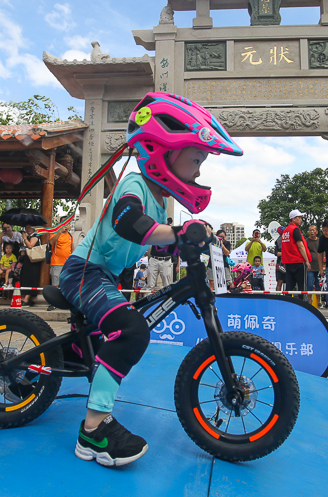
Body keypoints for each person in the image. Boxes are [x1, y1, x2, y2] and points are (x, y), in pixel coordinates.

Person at [53, 92, 241, 466]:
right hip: (84, 272)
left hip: (105, 276)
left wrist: (189, 243)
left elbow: (156, 240)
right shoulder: (135, 185)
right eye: (197, 158)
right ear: (166, 150)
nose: (200, 170)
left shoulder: (159, 200)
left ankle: (75, 352)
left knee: (116, 329)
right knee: (132, 330)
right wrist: (177, 232)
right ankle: (93, 432)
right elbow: (129, 223)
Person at [281, 210, 312, 295]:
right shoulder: (295, 229)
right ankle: (303, 304)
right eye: (299, 218)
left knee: (289, 285)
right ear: (294, 219)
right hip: (298, 261)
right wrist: (307, 260)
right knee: (302, 286)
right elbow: (300, 245)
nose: (301, 220)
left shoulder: (285, 231)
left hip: (288, 261)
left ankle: (287, 303)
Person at [306, 225, 321, 293]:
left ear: (316, 232)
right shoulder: (306, 241)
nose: (312, 232)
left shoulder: (320, 241)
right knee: (309, 284)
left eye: (313, 230)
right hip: (310, 267)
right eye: (310, 230)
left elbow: (323, 252)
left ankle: (317, 302)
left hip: (319, 266)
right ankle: (309, 301)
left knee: (318, 285)